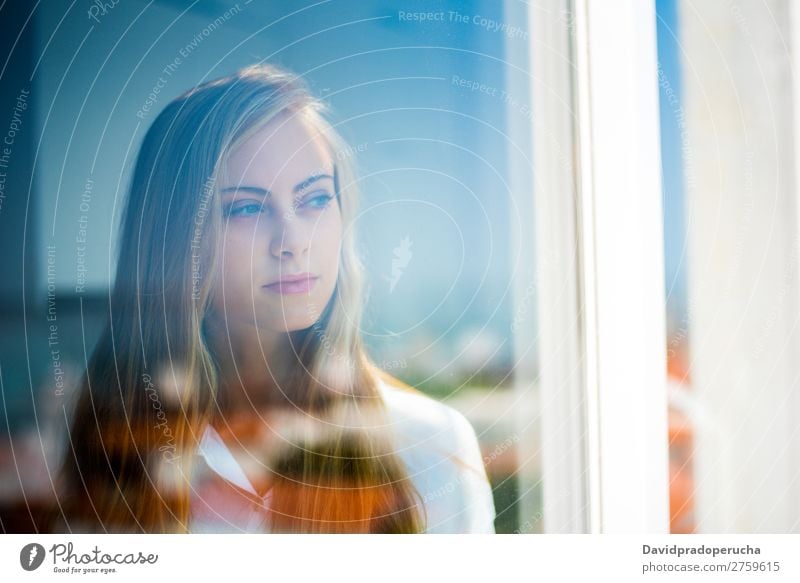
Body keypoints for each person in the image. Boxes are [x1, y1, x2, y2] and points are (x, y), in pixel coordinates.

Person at [55, 63, 496, 534]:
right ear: (173, 238)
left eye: (315, 199)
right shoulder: (88, 450)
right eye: (246, 208)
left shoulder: (430, 446)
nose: (292, 240)